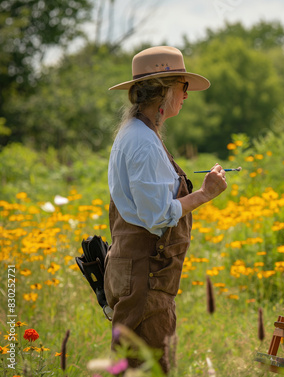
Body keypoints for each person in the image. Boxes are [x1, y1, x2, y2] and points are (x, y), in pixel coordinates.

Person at [104, 46, 227, 373]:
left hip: (139, 272)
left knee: (134, 367)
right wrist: (205, 193)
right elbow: (158, 215)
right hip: (146, 275)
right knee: (149, 369)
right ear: (163, 91)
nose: (186, 95)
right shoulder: (143, 141)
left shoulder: (136, 132)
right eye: (182, 87)